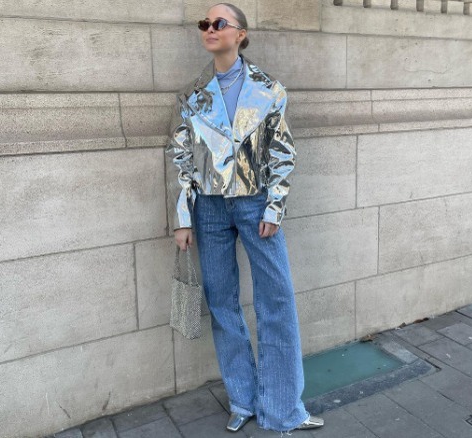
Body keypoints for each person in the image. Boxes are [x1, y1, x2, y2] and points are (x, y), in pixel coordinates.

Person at [164, 2, 325, 434]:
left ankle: (284, 408)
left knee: (276, 301)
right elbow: (180, 159)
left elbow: (282, 153)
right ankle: (243, 399)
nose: (209, 29)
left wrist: (274, 205)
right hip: (210, 209)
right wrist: (182, 218)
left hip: (256, 205)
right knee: (222, 304)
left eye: (219, 23)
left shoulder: (269, 89)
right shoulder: (191, 96)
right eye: (204, 24)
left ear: (241, 34)